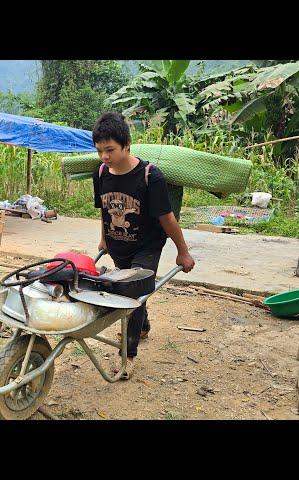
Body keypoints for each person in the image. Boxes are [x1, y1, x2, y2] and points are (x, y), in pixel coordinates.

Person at [92, 112, 195, 379]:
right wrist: (104, 238)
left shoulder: (150, 176)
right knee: (135, 293)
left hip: (146, 246)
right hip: (118, 245)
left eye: (110, 150)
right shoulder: (101, 173)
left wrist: (182, 251)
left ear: (126, 145)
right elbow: (103, 210)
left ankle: (128, 355)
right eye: (100, 150)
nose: (105, 156)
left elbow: (167, 218)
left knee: (131, 291)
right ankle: (143, 325)